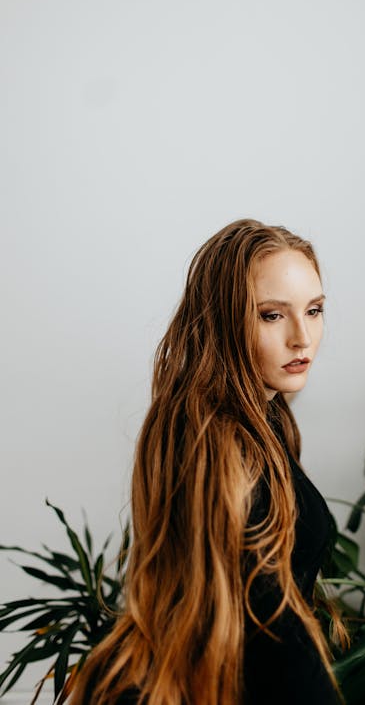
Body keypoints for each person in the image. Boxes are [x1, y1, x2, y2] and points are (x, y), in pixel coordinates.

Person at [71, 218, 346, 705]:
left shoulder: (258, 420)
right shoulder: (219, 439)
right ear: (224, 317)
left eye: (315, 309)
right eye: (271, 315)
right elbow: (265, 617)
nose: (303, 337)